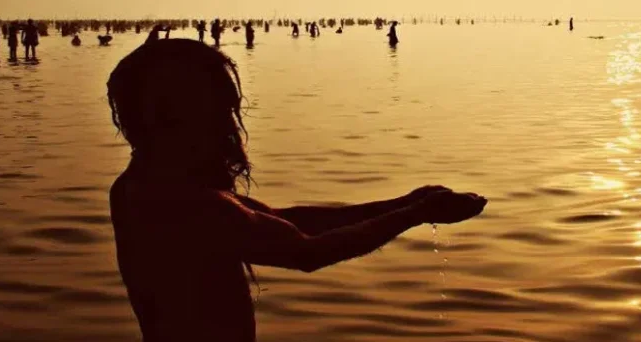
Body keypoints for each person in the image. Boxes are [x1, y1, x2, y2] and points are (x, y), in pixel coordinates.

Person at [106, 39, 485, 342]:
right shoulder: (186, 202)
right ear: (174, 116)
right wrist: (415, 214)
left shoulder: (142, 186)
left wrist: (406, 203)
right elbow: (307, 251)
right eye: (219, 108)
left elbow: (286, 221)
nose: (228, 124)